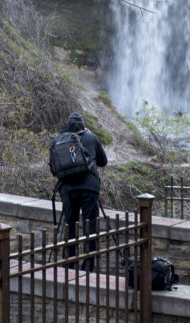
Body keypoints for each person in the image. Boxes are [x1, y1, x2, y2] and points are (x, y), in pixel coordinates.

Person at [56, 112, 108, 270]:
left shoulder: (61, 140)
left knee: (70, 225)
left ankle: (70, 263)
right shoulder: (91, 138)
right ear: (83, 125)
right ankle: (88, 266)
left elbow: (58, 164)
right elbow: (103, 161)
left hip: (68, 189)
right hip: (89, 188)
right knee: (90, 227)